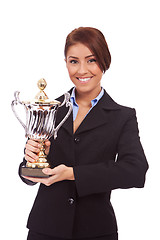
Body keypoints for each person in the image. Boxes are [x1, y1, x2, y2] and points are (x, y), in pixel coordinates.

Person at [20, 27, 148, 240]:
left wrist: (73, 174)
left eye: (91, 60)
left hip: (95, 231)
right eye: (73, 61)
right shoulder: (50, 108)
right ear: (66, 63)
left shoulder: (122, 116)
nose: (82, 70)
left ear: (104, 62)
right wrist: (30, 157)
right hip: (45, 229)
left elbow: (135, 171)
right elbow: (27, 176)